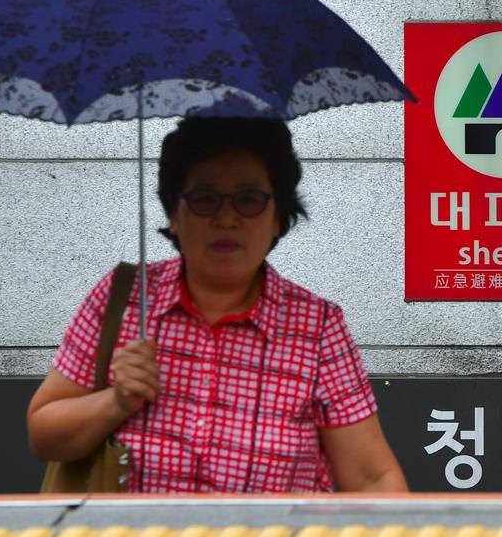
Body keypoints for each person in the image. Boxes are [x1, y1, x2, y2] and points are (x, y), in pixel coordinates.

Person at [27, 117, 408, 493]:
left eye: (249, 200)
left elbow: (371, 478)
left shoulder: (317, 327)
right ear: (174, 214)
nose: (227, 218)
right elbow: (44, 436)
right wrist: (116, 401)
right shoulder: (125, 298)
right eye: (205, 199)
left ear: (278, 217)